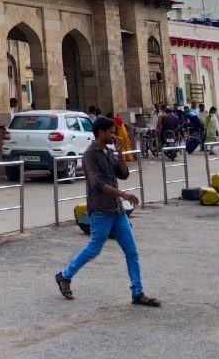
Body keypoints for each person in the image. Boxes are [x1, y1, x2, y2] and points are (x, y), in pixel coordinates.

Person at [55, 116, 159, 307]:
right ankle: (64, 275)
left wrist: (120, 153)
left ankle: (138, 292)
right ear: (101, 132)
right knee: (94, 248)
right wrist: (123, 194)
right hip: (101, 210)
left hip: (117, 211)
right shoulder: (90, 155)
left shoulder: (108, 152)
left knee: (131, 251)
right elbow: (97, 184)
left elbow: (124, 174)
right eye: (111, 132)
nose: (114, 135)